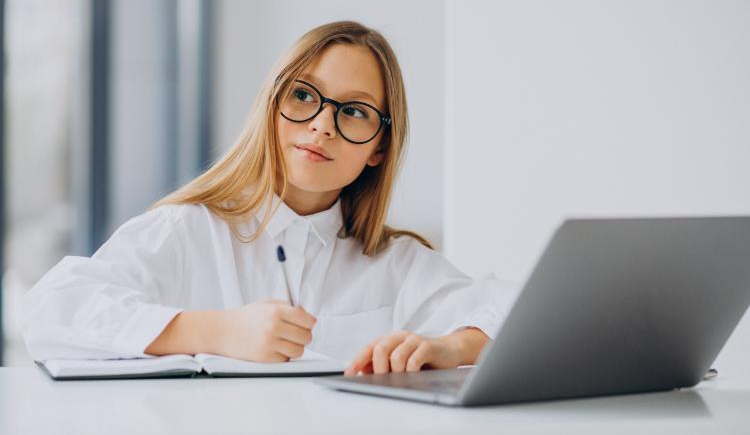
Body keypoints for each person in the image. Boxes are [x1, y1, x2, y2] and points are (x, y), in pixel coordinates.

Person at [19, 21, 516, 376]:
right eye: (304, 96)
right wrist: (214, 332)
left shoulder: (396, 263)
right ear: (271, 105)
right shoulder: (189, 231)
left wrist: (451, 346)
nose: (322, 124)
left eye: (355, 112)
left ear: (379, 148)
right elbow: (51, 308)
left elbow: (521, 313)